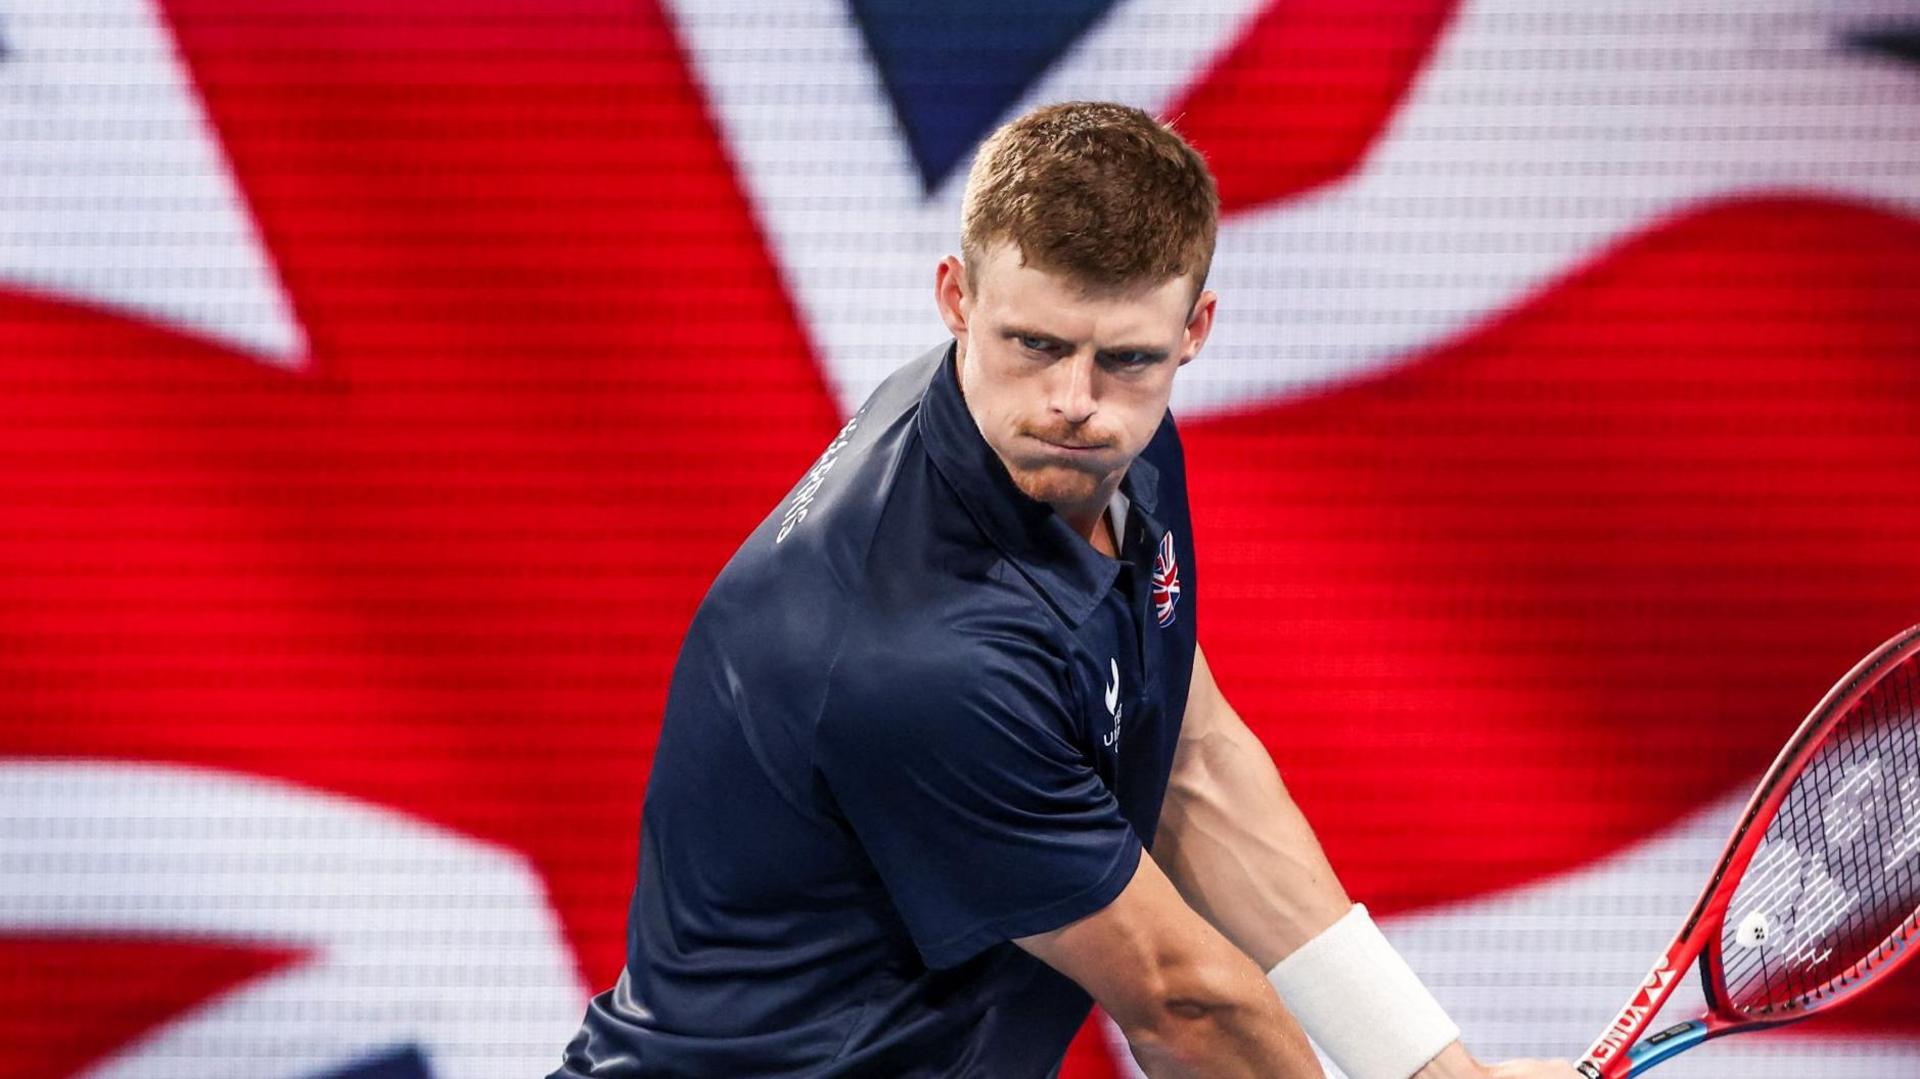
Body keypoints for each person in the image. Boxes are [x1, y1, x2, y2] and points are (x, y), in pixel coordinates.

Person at [552, 101, 1575, 1078]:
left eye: (1125, 357)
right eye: (1035, 344)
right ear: (956, 296)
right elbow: (1186, 1004)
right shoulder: (920, 659)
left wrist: (1436, 1064)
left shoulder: (1104, 450)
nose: (1075, 402)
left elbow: (1192, 763)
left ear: (1194, 330)